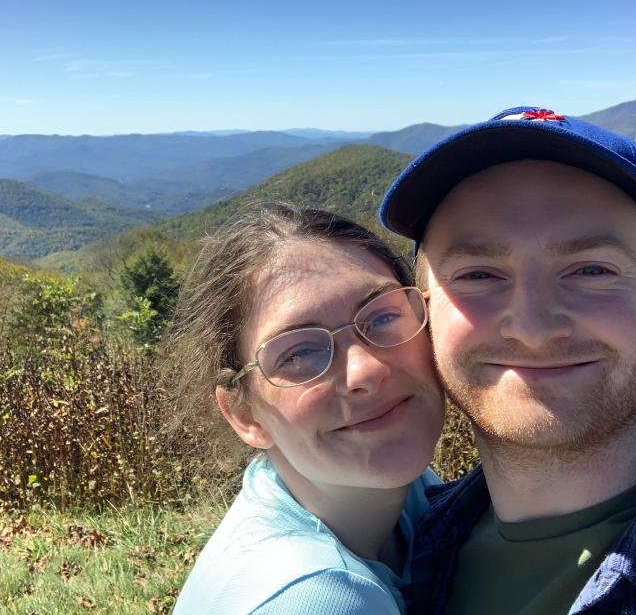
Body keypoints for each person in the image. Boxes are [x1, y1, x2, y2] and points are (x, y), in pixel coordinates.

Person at [379, 106, 636, 615]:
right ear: (426, 313)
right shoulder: (404, 551)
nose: (533, 327)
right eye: (478, 275)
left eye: (591, 269)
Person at [170, 205, 445, 615]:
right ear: (244, 415)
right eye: (299, 354)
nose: (365, 370)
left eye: (383, 315)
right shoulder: (318, 598)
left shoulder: (408, 495)